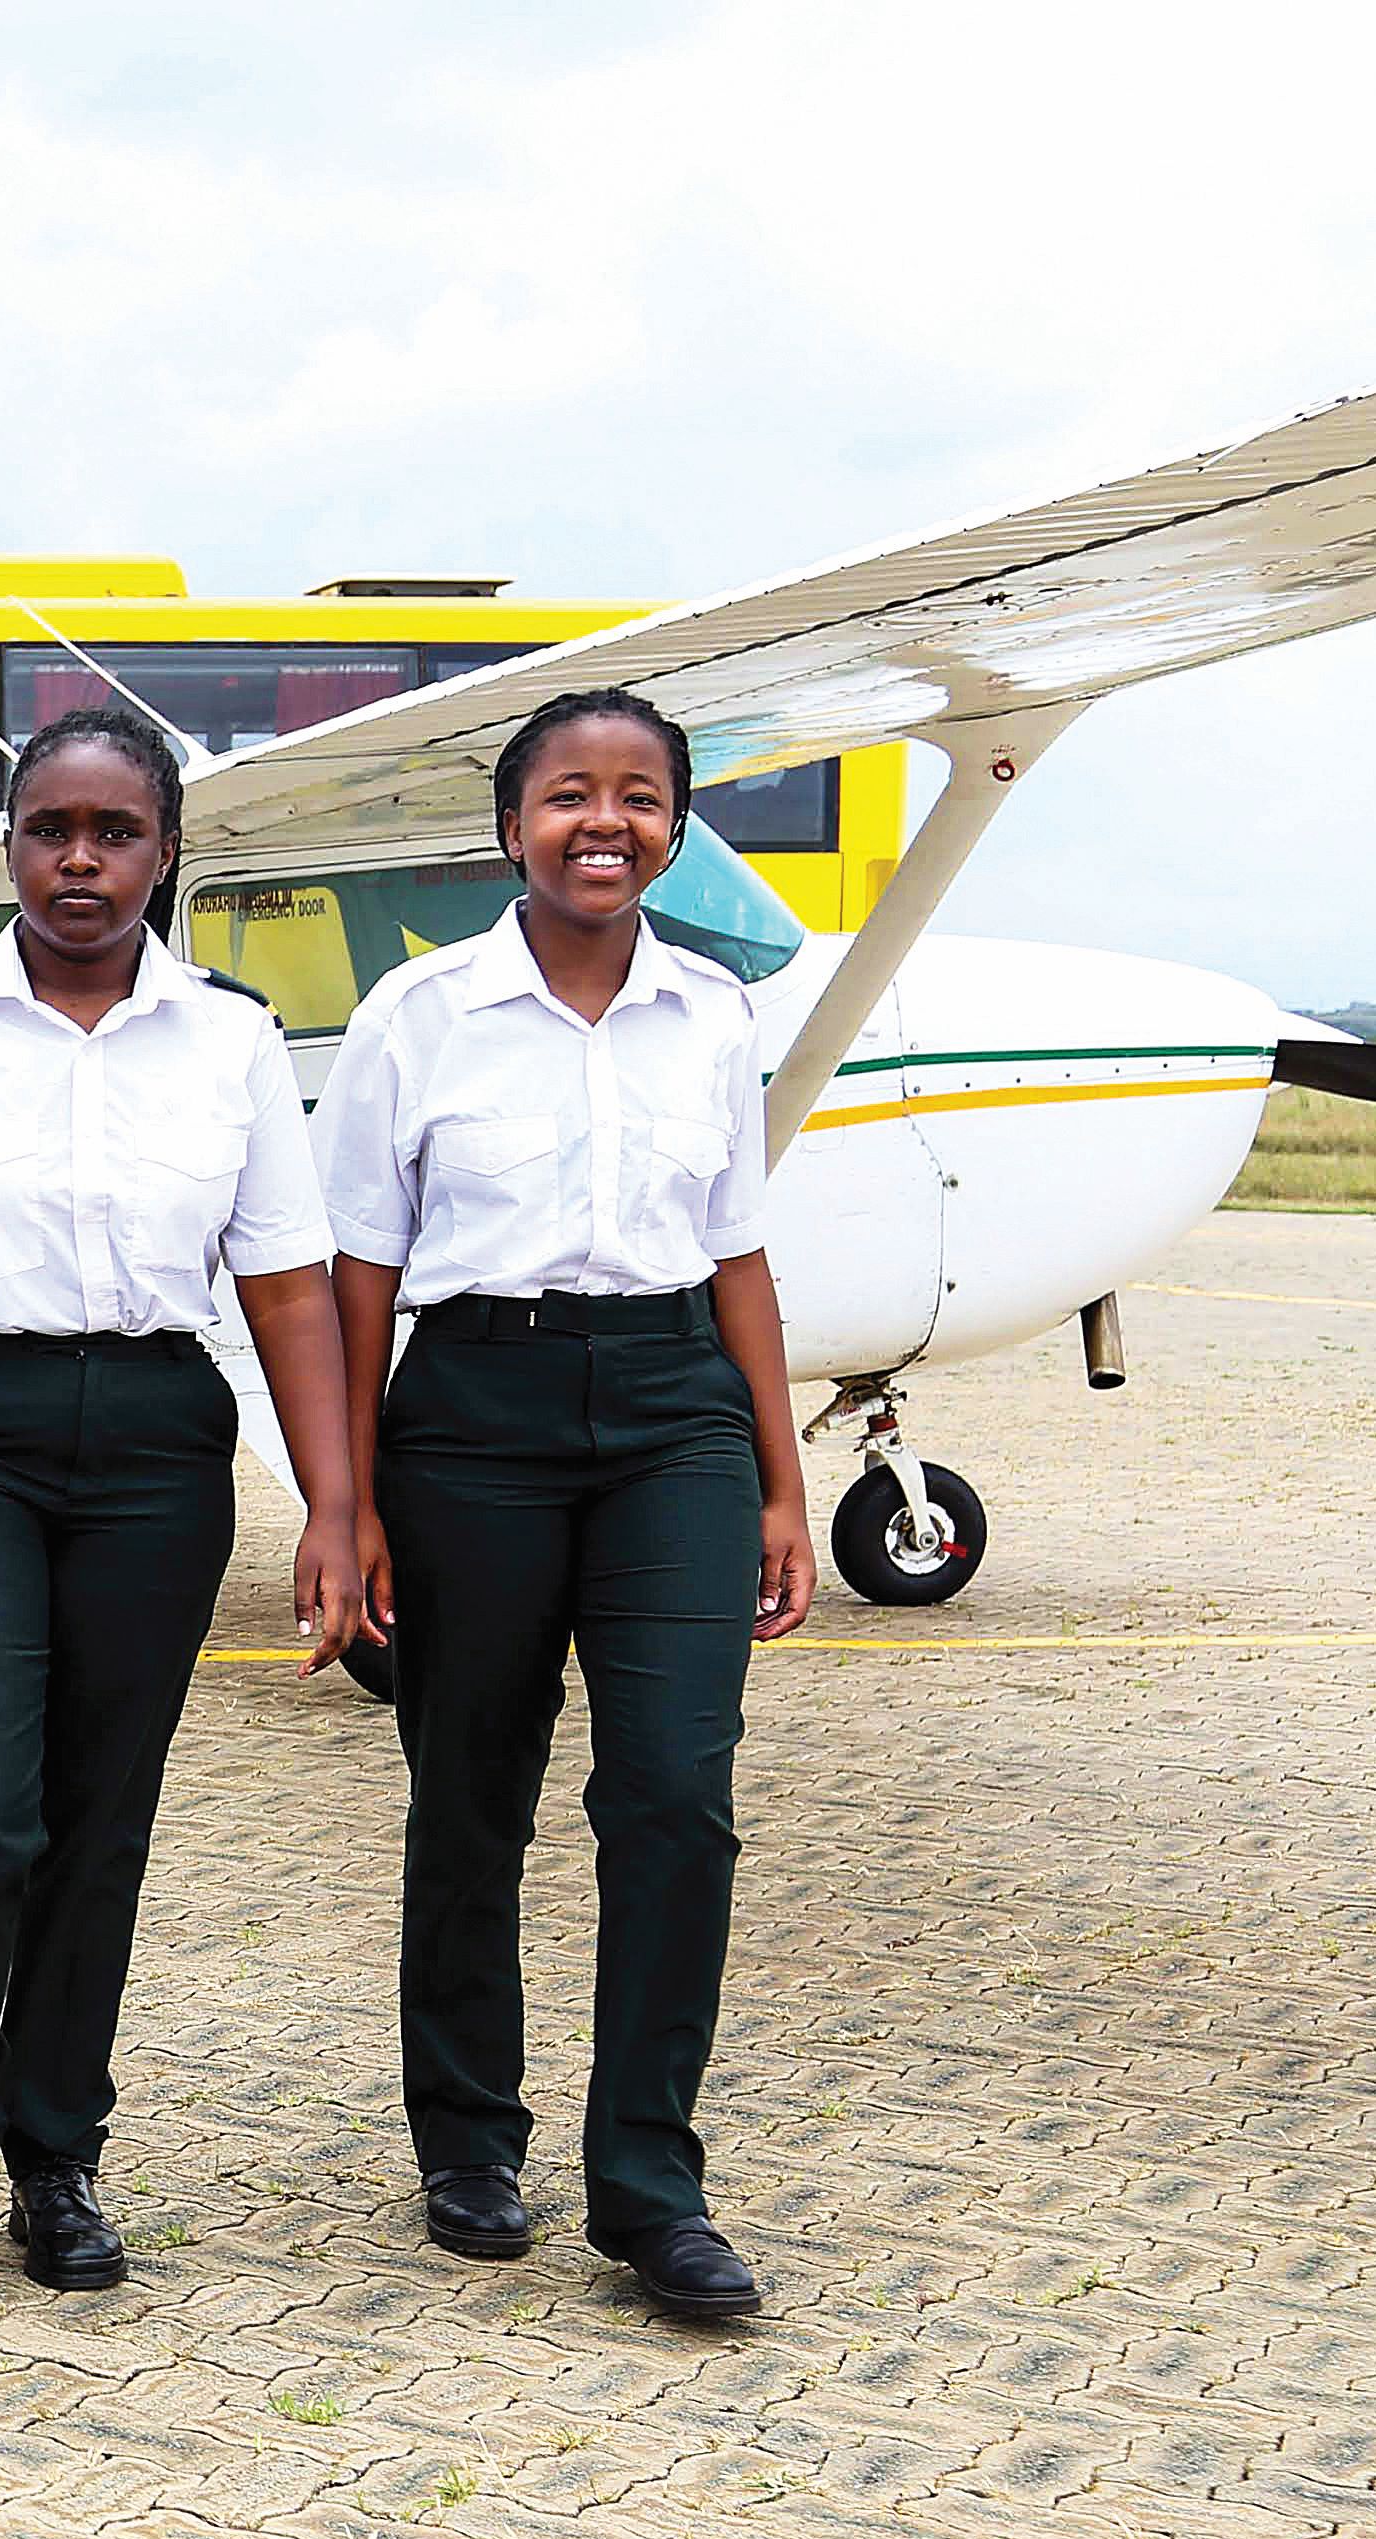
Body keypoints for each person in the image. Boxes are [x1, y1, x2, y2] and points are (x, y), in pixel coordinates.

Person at [0, 709, 366, 2312]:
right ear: (12, 845)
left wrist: (332, 1501)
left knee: (98, 1813)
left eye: (114, 831)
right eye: (50, 829)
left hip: (153, 1443)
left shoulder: (231, 1040)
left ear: (165, 849)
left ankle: (57, 2150)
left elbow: (290, 1289)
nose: (80, 861)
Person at [322, 684, 818, 2322]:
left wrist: (775, 1475)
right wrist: (349, 1494)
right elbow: (358, 1271)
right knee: (471, 1790)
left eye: (638, 797)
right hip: (470, 1413)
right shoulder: (420, 1014)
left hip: (672, 1410)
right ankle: (467, 2136)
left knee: (674, 1792)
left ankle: (649, 2185)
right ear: (508, 824)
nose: (602, 822)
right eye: (566, 795)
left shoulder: (710, 1014)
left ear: (673, 827)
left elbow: (738, 1251)